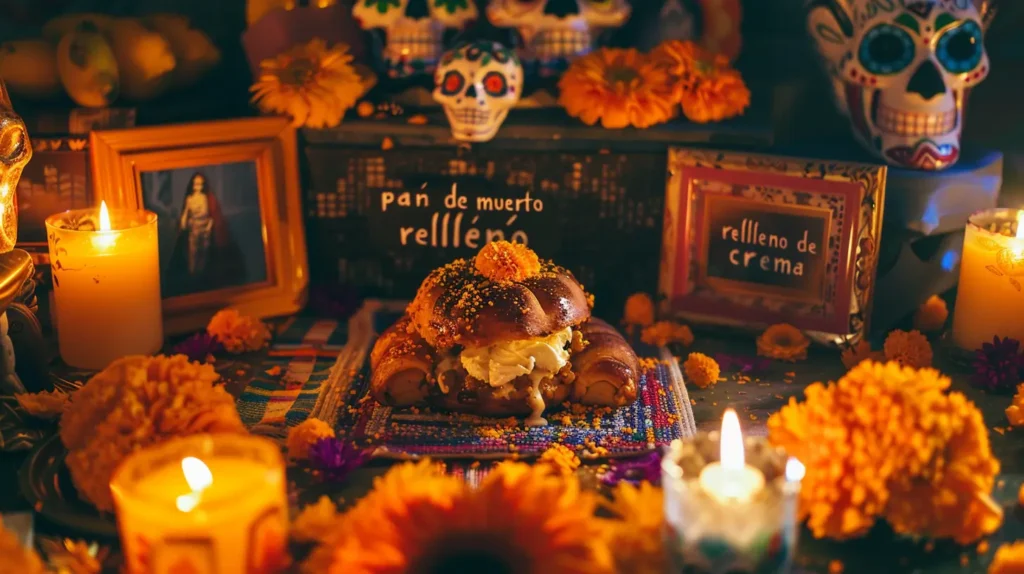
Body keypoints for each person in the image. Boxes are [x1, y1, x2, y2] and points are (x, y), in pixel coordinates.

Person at [166, 171, 245, 295]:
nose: (198, 187)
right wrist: (183, 222)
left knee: (204, 252)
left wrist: (209, 226)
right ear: (192, 185)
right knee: (193, 253)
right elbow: (186, 213)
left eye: (200, 184)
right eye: (196, 184)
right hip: (194, 228)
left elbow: (211, 214)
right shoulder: (190, 199)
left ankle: (201, 275)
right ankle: (192, 275)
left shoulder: (206, 198)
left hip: (205, 228)